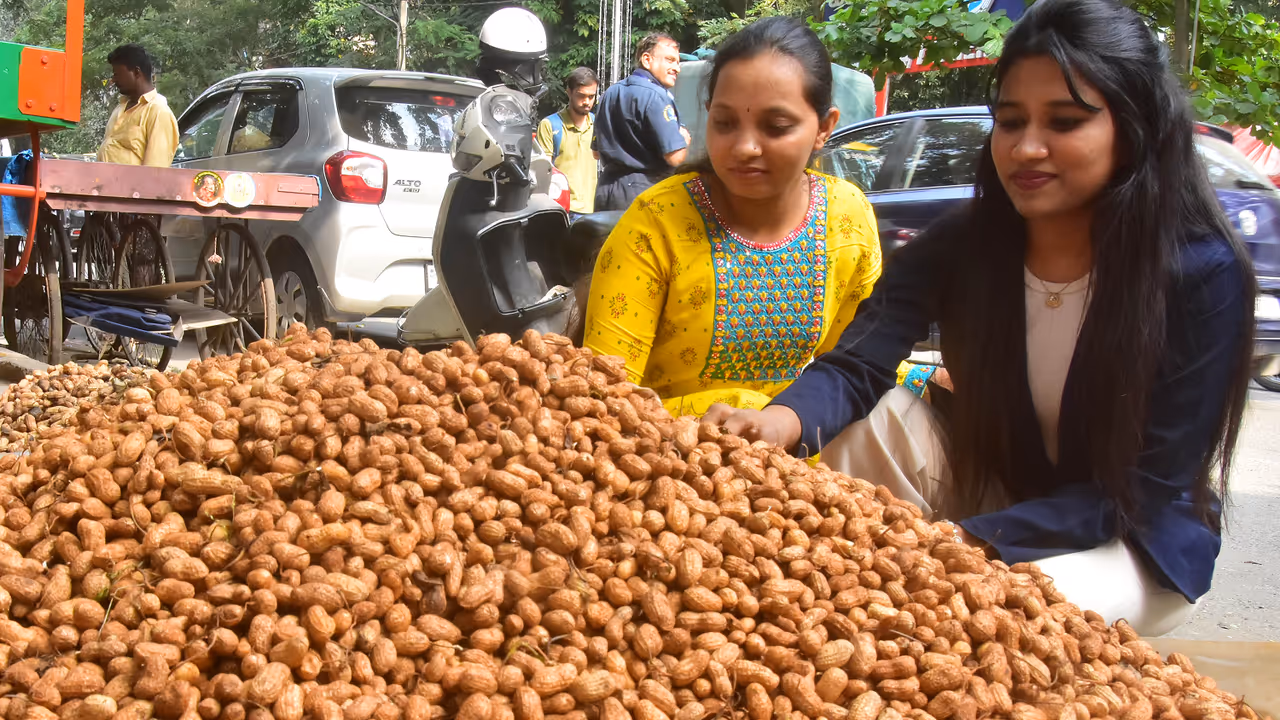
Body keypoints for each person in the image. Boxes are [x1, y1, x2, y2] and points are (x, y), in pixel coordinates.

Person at [704, 0, 1256, 637]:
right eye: (1010, 120)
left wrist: (955, 546)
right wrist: (776, 421)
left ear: (1133, 128)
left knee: (973, 619)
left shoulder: (1198, 273)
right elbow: (861, 363)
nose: (1026, 147)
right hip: (994, 488)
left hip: (1128, 537)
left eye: (1066, 122)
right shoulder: (961, 244)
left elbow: (1142, 488)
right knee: (864, 428)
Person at [583, 17, 882, 418]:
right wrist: (747, 412)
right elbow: (602, 399)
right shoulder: (656, 222)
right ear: (707, 114)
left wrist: (784, 423)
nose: (744, 147)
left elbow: (855, 367)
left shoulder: (848, 217)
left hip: (799, 453)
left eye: (775, 127)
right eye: (724, 123)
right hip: (662, 453)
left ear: (824, 128)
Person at [592, 33, 691, 211]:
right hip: (643, 193)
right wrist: (683, 137)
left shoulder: (609, 93)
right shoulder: (656, 96)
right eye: (670, 60)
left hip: (606, 190)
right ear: (647, 60)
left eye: (677, 62)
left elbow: (596, 154)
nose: (677, 68)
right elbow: (676, 157)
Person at [97, 44, 180, 168]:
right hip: (106, 185)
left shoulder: (158, 112)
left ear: (136, 72)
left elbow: (154, 171)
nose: (113, 80)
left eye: (117, 74)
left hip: (131, 187)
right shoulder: (120, 108)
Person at [537, 67, 599, 214]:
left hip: (593, 210)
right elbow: (542, 172)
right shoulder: (550, 125)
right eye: (581, 96)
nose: (586, 102)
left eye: (591, 97)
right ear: (569, 92)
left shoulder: (598, 124)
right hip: (562, 209)